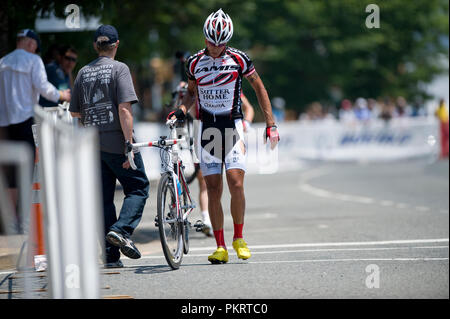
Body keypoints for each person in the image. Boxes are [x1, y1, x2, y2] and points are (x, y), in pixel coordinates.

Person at [168, 9, 280, 264]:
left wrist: (270, 123)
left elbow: (259, 88)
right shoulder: (194, 63)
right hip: (206, 128)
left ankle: (239, 237)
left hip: (232, 126)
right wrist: (182, 109)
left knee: (236, 183)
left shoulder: (239, 59)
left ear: (228, 41)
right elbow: (190, 93)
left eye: (221, 44)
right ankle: (220, 246)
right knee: (213, 188)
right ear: (204, 38)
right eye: (211, 42)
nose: (216, 48)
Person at [69, 25, 149, 268]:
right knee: (138, 187)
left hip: (93, 146)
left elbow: (75, 112)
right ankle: (121, 230)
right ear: (116, 44)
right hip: (117, 142)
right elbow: (124, 109)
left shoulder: (83, 72)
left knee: (103, 200)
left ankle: (111, 257)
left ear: (96, 45)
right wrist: (129, 144)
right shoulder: (120, 69)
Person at [0, 29, 71, 231]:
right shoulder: (33, 61)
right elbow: (44, 88)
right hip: (24, 120)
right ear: (31, 43)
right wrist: (62, 95)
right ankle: (23, 220)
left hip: (3, 124)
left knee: (9, 173)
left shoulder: (2, 62)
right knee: (26, 171)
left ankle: (10, 222)